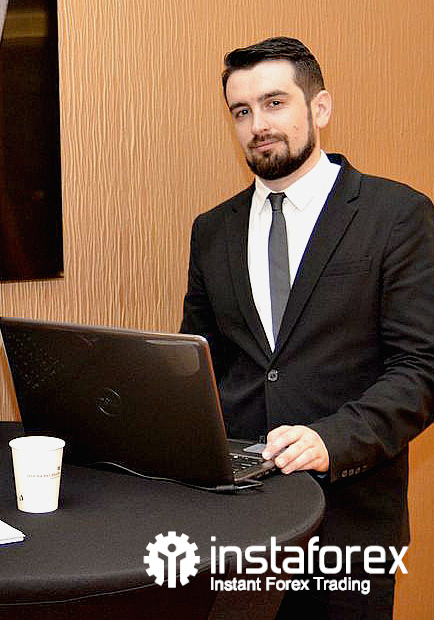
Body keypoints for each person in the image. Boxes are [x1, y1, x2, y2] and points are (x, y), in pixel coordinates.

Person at [181, 36, 434, 619]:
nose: (257, 126)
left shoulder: (397, 215)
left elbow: (421, 368)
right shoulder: (212, 230)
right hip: (235, 521)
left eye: (274, 103)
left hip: (350, 524)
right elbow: (202, 363)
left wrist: (331, 439)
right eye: (241, 111)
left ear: (320, 108)